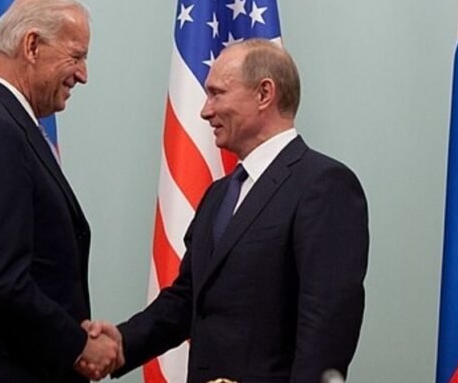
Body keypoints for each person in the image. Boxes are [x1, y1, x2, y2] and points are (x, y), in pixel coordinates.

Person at [86, 39, 369, 383]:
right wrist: (122, 343)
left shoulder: (323, 185)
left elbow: (327, 324)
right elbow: (187, 298)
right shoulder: (220, 194)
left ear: (265, 93)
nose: (205, 110)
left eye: (217, 93)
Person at [0, 0, 118, 382]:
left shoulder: (7, 126)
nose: (83, 74)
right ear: (32, 46)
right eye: (77, 55)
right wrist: (78, 345)